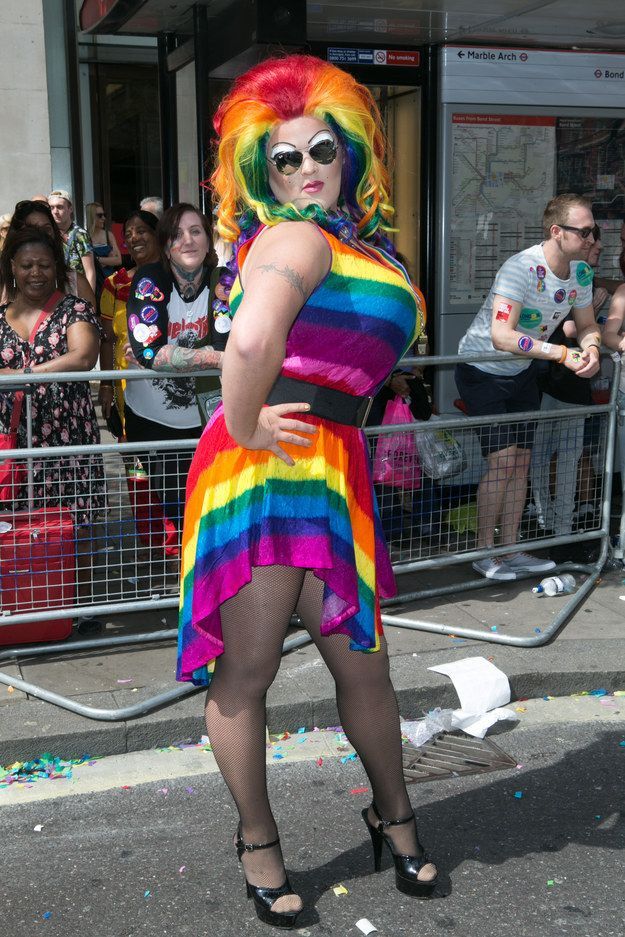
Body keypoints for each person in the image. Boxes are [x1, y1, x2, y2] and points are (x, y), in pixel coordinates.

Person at [175, 55, 439, 930]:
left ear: (349, 149)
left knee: (363, 665)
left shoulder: (358, 244)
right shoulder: (295, 236)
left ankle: (392, 816)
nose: (303, 170)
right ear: (259, 169)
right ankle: (259, 840)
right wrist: (246, 427)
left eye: (319, 149)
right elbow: (249, 342)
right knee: (247, 672)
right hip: (268, 464)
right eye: (281, 159)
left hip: (329, 460)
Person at [455, 193, 601, 580]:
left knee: (520, 463)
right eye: (584, 231)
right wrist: (558, 353)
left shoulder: (581, 273)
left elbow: (586, 325)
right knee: (502, 463)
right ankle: (485, 551)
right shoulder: (520, 268)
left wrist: (591, 350)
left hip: (521, 372)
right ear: (557, 232)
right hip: (482, 369)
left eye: (593, 231)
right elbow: (501, 335)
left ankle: (512, 547)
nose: (591, 238)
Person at [0, 226, 105, 547]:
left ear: (56, 268)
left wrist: (22, 373)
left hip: (68, 449)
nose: (36, 273)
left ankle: (81, 599)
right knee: (16, 542)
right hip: (15, 451)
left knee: (76, 537)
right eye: (27, 265)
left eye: (44, 265)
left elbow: (84, 355)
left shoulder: (75, 309)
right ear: (13, 268)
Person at [124, 203, 220, 533]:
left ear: (209, 240)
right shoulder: (150, 280)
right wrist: (219, 357)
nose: (187, 241)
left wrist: (167, 353)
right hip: (152, 421)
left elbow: (235, 341)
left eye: (196, 231)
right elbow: (149, 352)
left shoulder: (223, 283)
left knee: (208, 511)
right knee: (170, 515)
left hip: (206, 420)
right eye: (176, 234)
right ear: (165, 244)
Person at [98, 209, 161, 434]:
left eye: (141, 231)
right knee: (134, 445)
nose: (134, 237)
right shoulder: (114, 284)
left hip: (167, 375)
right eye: (128, 233)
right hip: (126, 379)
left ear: (157, 235)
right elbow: (107, 340)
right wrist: (106, 384)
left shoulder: (175, 276)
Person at [0, 200, 97, 309]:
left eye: (46, 230)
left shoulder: (76, 284)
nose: (40, 236)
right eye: (31, 230)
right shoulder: (3, 283)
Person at [48, 189, 96, 293]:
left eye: (60, 207)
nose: (55, 211)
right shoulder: (48, 234)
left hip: (76, 293)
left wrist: (90, 302)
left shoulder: (80, 234)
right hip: (53, 295)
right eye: (51, 208)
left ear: (70, 209)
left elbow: (90, 271)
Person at [85, 202, 122, 271]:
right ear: (91, 217)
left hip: (108, 279)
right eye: (100, 215)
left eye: (104, 215)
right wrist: (109, 259)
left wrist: (97, 259)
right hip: (93, 279)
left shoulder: (108, 235)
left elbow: (118, 260)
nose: (104, 218)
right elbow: (85, 264)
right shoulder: (84, 236)